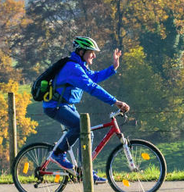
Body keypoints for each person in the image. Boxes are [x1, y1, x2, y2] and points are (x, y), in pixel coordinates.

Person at [43, 35, 130, 183]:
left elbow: (94, 78)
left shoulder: (80, 66)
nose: (94, 56)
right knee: (79, 126)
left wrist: (113, 68)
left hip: (66, 105)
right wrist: (115, 102)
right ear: (81, 51)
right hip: (55, 106)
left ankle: (86, 171)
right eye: (91, 52)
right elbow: (91, 87)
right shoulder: (73, 68)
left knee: (87, 133)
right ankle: (57, 154)